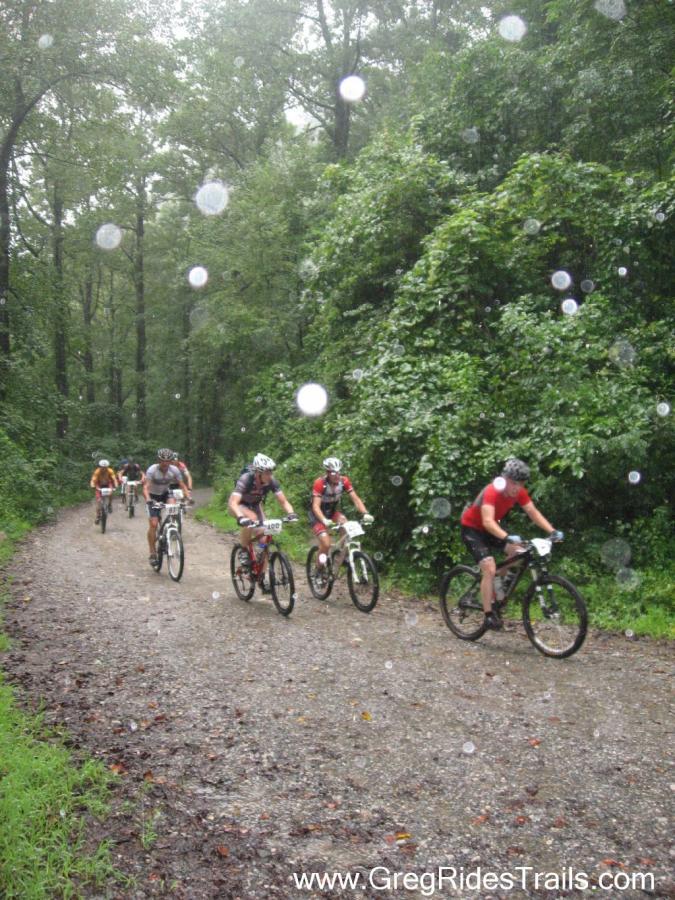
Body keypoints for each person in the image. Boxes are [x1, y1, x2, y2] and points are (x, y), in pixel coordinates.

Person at [460, 458, 563, 630]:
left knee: (520, 552)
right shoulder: (492, 490)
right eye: (514, 483)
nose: (517, 488)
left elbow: (532, 512)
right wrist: (507, 536)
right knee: (489, 568)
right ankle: (488, 615)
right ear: (505, 479)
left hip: (491, 528)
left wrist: (552, 531)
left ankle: (498, 582)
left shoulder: (520, 492)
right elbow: (487, 521)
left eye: (521, 484)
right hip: (472, 529)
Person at [227, 453, 298, 591]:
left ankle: (261, 577)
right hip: (238, 506)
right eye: (266, 472)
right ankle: (243, 550)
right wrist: (241, 518)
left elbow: (283, 501)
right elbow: (234, 502)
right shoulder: (246, 479)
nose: (269, 474)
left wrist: (291, 513)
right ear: (258, 473)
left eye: (271, 471)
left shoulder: (271, 481)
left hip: (255, 505)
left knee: (265, 539)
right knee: (251, 518)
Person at [309, 457, 373, 568]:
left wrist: (365, 513)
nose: (337, 475)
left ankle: (342, 557)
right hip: (317, 516)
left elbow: (356, 499)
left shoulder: (344, 481)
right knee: (326, 544)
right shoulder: (320, 483)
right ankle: (318, 568)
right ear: (327, 473)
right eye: (334, 473)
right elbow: (315, 506)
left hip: (332, 512)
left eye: (339, 472)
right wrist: (324, 520)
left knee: (346, 524)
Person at [143, 448, 191, 566]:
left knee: (174, 509)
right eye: (162, 461)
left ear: (171, 461)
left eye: (168, 461)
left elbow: (182, 485)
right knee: (153, 524)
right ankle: (152, 552)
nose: (165, 463)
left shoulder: (174, 470)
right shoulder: (152, 470)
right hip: (153, 496)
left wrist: (188, 497)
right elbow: (145, 488)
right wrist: (149, 500)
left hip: (165, 494)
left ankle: (171, 532)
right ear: (158, 460)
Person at [90, 459, 118, 524]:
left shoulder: (110, 471)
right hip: (99, 484)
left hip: (108, 483)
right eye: (102, 467)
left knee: (111, 492)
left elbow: (114, 479)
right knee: (99, 501)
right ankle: (97, 516)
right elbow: (93, 480)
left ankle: (110, 505)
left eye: (105, 467)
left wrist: (116, 485)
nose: (104, 469)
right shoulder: (97, 471)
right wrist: (92, 485)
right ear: (100, 467)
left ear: (107, 467)